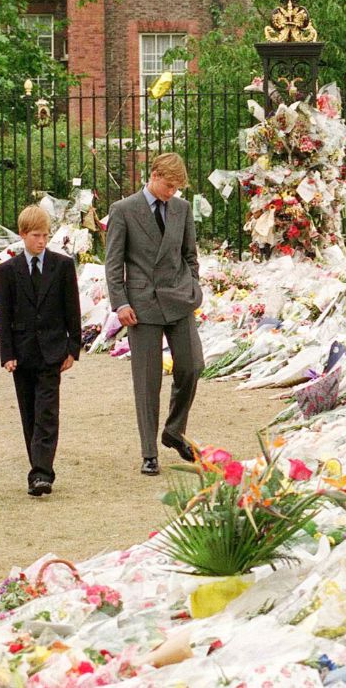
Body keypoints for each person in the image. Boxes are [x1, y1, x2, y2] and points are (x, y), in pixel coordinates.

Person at [105, 153, 202, 475]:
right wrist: (120, 303)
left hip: (179, 299)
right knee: (147, 382)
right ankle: (149, 452)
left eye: (177, 188)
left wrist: (195, 288)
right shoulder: (123, 210)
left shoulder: (182, 210)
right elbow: (113, 262)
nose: (172, 192)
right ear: (155, 175)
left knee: (191, 367)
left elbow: (190, 254)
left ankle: (173, 431)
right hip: (141, 305)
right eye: (169, 186)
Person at [0, 205, 81, 496]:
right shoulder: (8, 270)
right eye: (36, 236)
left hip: (52, 352)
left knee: (47, 412)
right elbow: (4, 314)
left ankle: (42, 472)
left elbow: (73, 309)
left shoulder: (62, 265)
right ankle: (38, 468)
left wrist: (73, 347)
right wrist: (6, 354)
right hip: (21, 353)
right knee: (29, 413)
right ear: (22, 235)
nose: (42, 241)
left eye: (46, 235)